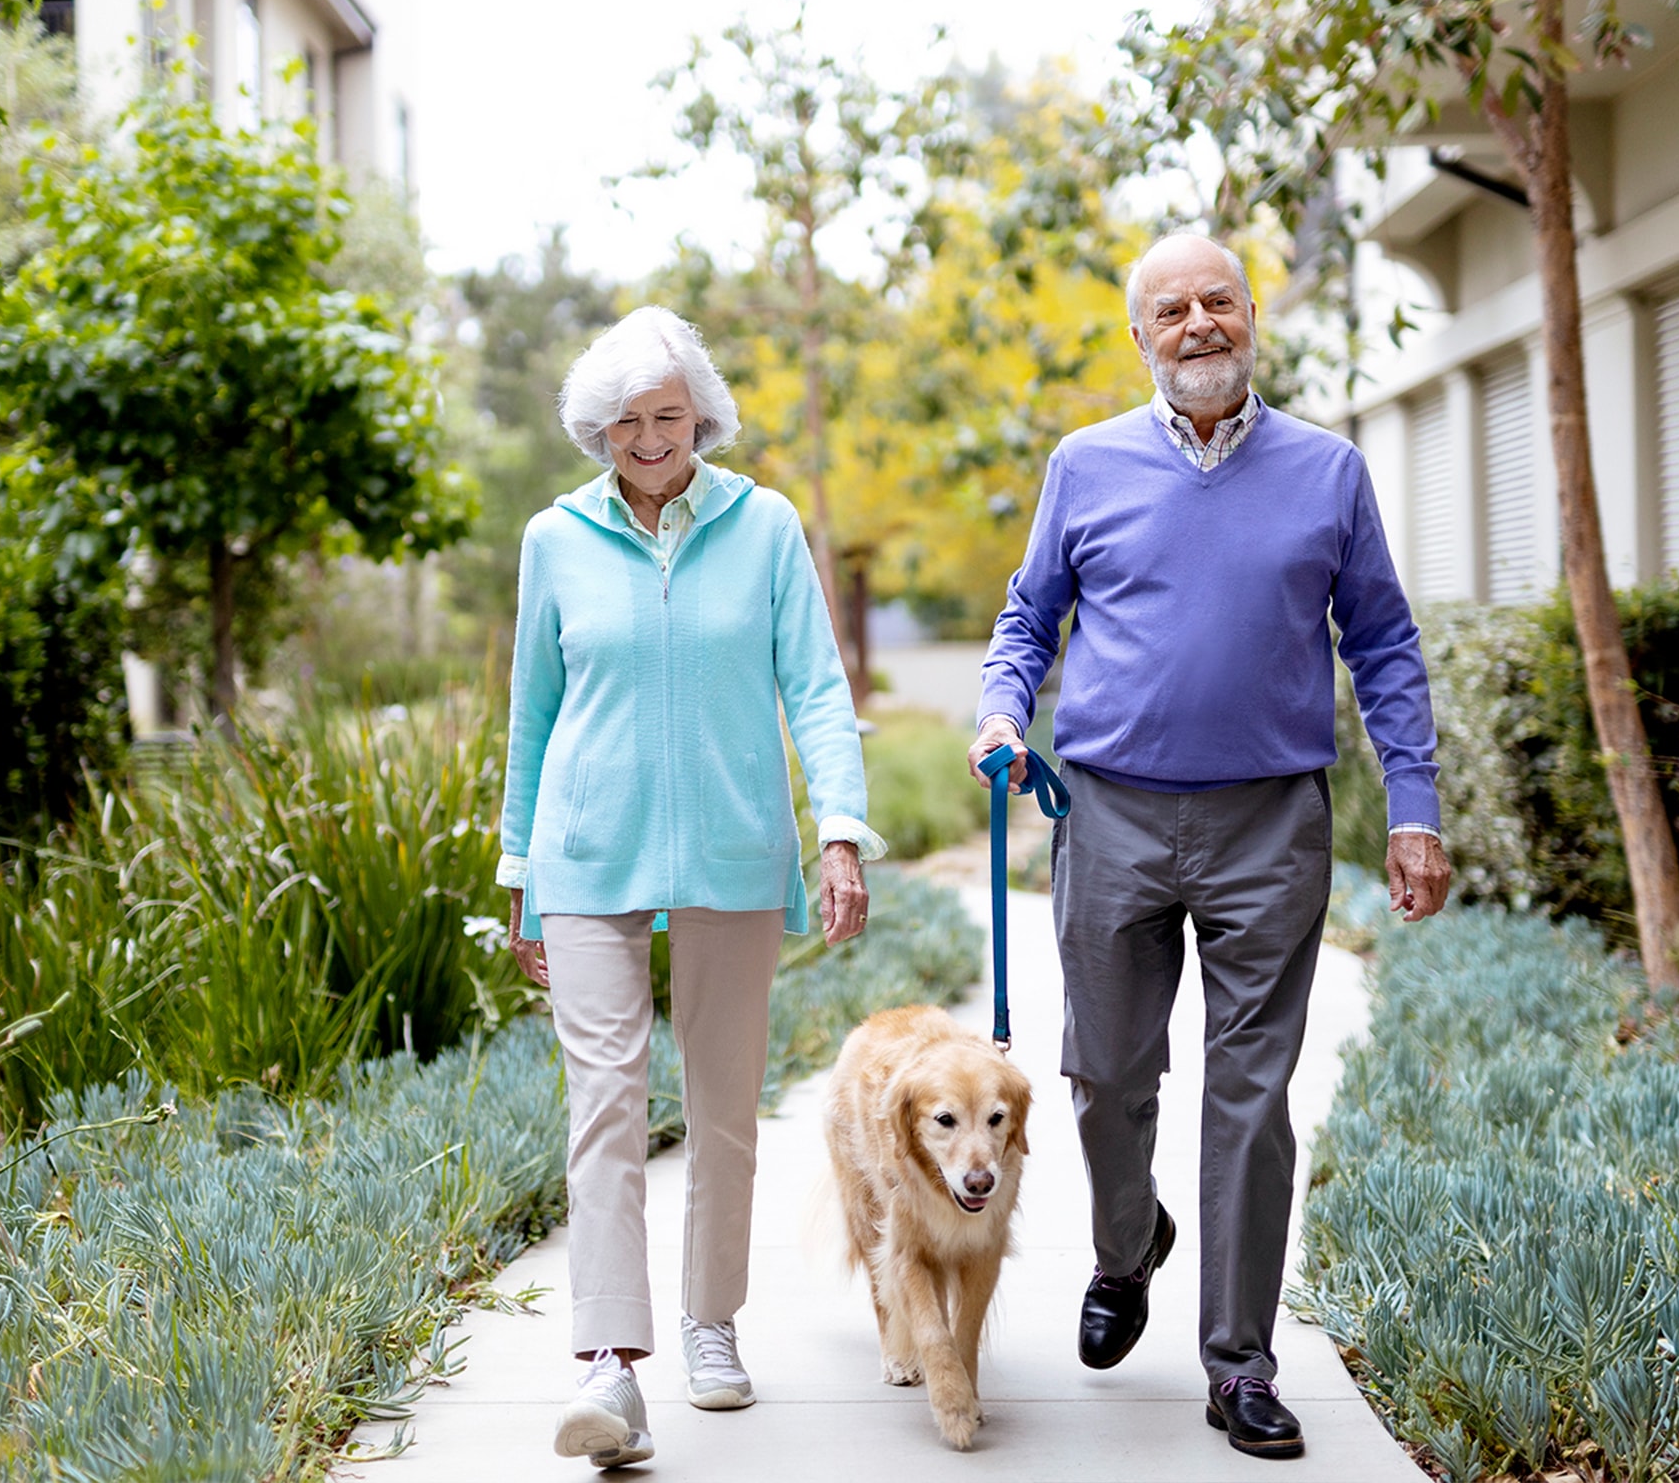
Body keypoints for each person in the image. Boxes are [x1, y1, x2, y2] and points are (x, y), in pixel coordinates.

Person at [967, 233, 1452, 1462]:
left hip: (1269, 823)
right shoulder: (1084, 466)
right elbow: (1030, 616)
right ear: (1139, 337)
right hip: (1111, 814)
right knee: (1106, 1078)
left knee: (1249, 1096)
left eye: (1218, 302)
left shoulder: (1329, 472)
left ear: (1253, 318)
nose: (1198, 324)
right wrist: (998, 713)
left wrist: (1415, 807)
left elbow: (1385, 645)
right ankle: (1127, 1249)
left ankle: (1238, 1363)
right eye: (1170, 309)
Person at [500, 305, 886, 1469]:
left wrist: (841, 829)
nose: (650, 436)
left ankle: (711, 1324)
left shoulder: (764, 526)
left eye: (669, 415)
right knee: (606, 1101)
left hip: (729, 847)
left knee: (722, 1106)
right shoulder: (554, 539)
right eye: (627, 419)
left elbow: (816, 686)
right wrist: (518, 865)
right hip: (585, 855)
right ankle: (609, 1370)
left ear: (702, 418)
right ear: (596, 428)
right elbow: (533, 715)